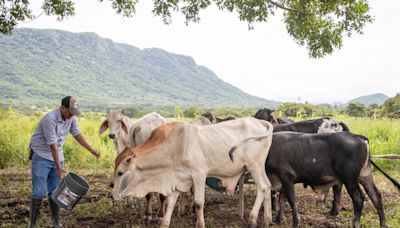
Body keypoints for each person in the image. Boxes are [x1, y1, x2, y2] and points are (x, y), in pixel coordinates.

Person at [28, 96, 101, 228]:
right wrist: (60, 169)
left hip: (57, 157)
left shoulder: (70, 118)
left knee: (55, 192)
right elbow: (53, 146)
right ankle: (32, 224)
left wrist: (92, 150)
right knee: (39, 192)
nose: (72, 114)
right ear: (63, 107)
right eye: (70, 111)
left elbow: (77, 135)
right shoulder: (49, 119)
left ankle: (56, 223)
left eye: (74, 112)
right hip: (41, 157)